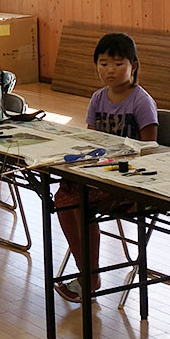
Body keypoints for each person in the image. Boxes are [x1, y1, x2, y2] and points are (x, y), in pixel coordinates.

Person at [53, 33, 158, 304]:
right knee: (63, 197)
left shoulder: (141, 101)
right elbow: (91, 142)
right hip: (101, 176)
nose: (110, 70)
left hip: (130, 183)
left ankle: (89, 276)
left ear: (134, 65)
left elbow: (150, 151)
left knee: (77, 201)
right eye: (103, 64)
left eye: (118, 63)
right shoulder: (98, 98)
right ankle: (88, 271)